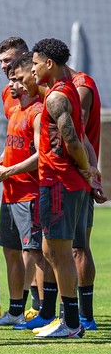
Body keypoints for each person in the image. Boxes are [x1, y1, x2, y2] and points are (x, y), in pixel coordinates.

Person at [29, 38, 100, 339]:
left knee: (60, 251)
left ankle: (71, 322)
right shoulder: (66, 90)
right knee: (51, 249)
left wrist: (85, 167)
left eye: (34, 64)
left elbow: (72, 140)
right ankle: (69, 319)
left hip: (59, 183)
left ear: (49, 64)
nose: (31, 70)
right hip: (60, 182)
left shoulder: (57, 97)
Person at [0, 54, 44, 327]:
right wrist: (2, 161)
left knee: (36, 253)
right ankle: (15, 310)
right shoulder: (14, 111)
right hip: (10, 195)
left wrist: (8, 171)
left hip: (29, 195)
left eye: (16, 79)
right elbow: (13, 148)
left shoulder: (37, 112)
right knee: (11, 251)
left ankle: (47, 311)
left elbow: (41, 156)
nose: (11, 84)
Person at [68, 63, 103, 330]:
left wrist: (93, 176)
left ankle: (85, 316)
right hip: (66, 179)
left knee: (78, 247)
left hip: (77, 180)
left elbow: (77, 135)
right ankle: (70, 314)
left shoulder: (80, 87)